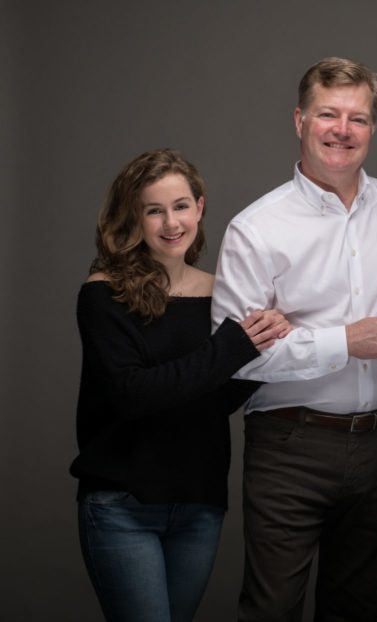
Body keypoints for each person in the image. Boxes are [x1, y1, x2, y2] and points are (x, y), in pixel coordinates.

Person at [211, 57, 377, 621]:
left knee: (355, 608)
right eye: (328, 114)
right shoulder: (256, 229)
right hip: (290, 448)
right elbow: (234, 362)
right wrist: (341, 341)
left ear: (372, 129)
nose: (342, 130)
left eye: (357, 118)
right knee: (272, 609)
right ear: (299, 120)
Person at [70, 148, 291, 622]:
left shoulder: (219, 292)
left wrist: (265, 349)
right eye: (154, 210)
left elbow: (213, 397)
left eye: (181, 206)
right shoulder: (102, 293)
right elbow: (134, 395)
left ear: (200, 207)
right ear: (135, 217)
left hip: (198, 504)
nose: (171, 223)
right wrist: (234, 347)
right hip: (122, 504)